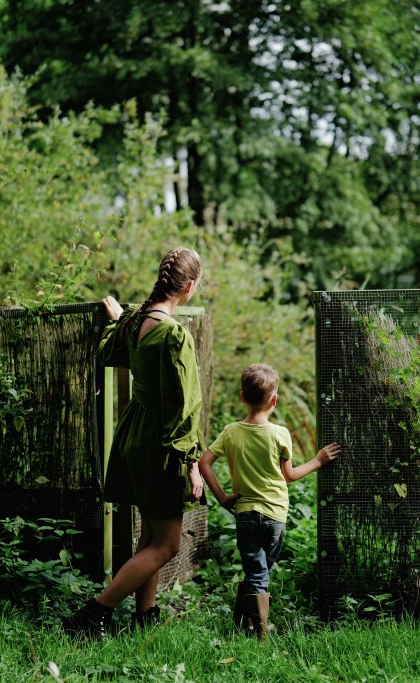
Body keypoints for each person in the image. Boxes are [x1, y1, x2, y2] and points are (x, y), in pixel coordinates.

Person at [62, 246, 206, 641]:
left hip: (134, 436)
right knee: (168, 545)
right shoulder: (175, 335)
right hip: (160, 443)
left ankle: (145, 614)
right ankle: (94, 614)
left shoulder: (137, 323)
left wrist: (120, 317)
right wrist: (192, 462)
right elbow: (185, 408)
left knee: (150, 535)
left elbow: (110, 350)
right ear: (188, 287)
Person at [199, 363, 340, 639]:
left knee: (255, 569)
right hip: (275, 515)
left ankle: (244, 623)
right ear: (274, 400)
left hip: (245, 514)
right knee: (259, 571)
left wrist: (222, 497)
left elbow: (204, 463)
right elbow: (289, 476)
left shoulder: (230, 432)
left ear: (242, 397)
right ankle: (261, 633)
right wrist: (318, 460)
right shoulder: (279, 434)